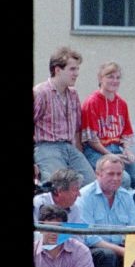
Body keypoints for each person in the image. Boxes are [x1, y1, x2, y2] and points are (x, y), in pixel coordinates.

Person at [79, 61, 135, 210]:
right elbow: (91, 139)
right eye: (110, 76)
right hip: (97, 151)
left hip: (117, 150)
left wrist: (127, 150)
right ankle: (115, 222)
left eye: (118, 77)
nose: (115, 81)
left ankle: (133, 227)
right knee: (122, 179)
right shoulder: (91, 102)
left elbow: (125, 133)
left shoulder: (122, 104)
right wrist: (109, 156)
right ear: (101, 78)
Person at [33, 46, 93, 181]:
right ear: (57, 70)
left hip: (69, 147)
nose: (76, 73)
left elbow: (77, 128)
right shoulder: (41, 93)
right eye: (72, 69)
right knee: (59, 185)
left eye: (77, 69)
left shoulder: (73, 94)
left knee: (90, 184)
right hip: (47, 147)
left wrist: (79, 152)